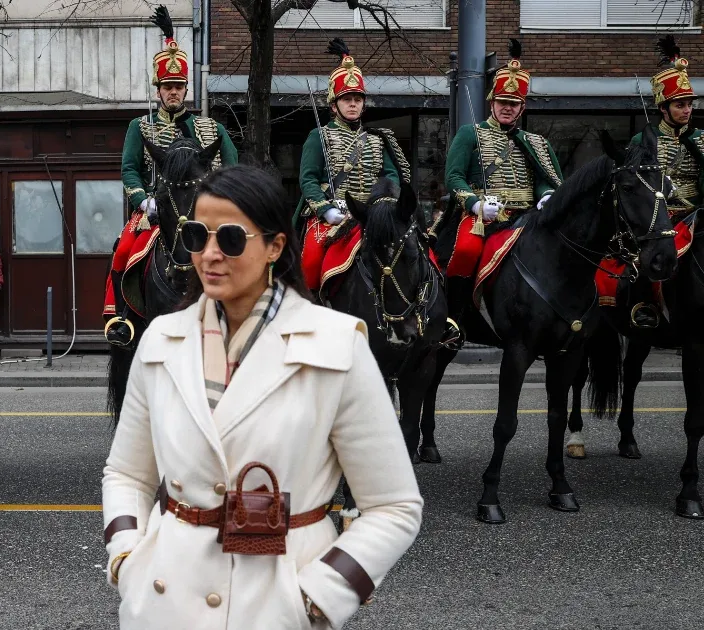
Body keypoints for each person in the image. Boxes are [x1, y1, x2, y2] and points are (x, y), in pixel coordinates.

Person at [102, 165, 422, 629]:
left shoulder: (336, 344)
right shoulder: (160, 339)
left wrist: (318, 599)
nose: (210, 254)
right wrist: (126, 558)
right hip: (161, 601)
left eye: (230, 239)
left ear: (274, 246)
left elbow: (394, 506)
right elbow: (127, 472)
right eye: (196, 235)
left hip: (275, 607)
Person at [103, 4, 239, 347]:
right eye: (168, 86)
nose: (174, 91)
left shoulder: (211, 129)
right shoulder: (140, 127)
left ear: (186, 89)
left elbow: (232, 171)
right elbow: (129, 170)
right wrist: (142, 199)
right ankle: (125, 318)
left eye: (179, 85)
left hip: (204, 215)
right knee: (123, 252)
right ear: (158, 90)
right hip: (156, 212)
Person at [443, 39, 563, 346]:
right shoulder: (470, 134)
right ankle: (453, 318)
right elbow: (453, 176)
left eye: (513, 103)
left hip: (527, 216)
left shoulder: (537, 142)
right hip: (484, 214)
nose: (507, 108)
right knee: (466, 250)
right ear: (491, 101)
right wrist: (474, 204)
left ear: (522, 107)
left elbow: (545, 179)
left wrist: (547, 194)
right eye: (501, 102)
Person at [296, 38, 410, 293]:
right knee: (310, 263)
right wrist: (325, 209)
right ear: (334, 104)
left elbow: (392, 176)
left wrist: (385, 205)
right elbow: (308, 180)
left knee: (414, 254)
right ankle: (310, 304)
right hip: (331, 216)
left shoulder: (378, 138)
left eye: (357, 99)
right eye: (346, 99)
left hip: (374, 215)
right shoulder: (319, 136)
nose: (353, 103)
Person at [623, 35, 703, 328]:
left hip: (696, 213)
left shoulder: (701, 140)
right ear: (663, 108)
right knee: (639, 257)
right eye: (680, 105)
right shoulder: (643, 140)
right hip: (657, 216)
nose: (687, 110)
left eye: (689, 105)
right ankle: (645, 305)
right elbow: (631, 184)